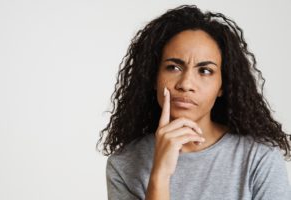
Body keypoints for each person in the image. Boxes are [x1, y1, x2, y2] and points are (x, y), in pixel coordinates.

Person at [97, 5, 291, 200]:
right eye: (173, 67)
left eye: (205, 71)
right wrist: (159, 176)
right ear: (153, 78)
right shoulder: (124, 164)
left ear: (222, 86)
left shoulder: (259, 158)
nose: (186, 84)